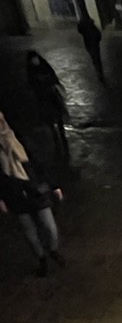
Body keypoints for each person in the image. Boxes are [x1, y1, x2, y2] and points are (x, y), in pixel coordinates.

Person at [0, 111, 65, 277]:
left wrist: (53, 185)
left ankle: (53, 250)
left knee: (49, 226)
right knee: (30, 230)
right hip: (13, 193)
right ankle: (42, 259)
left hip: (34, 188)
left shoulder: (19, 139)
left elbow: (39, 162)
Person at [25, 50, 68, 158]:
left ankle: (61, 134)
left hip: (51, 95)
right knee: (49, 117)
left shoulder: (43, 67)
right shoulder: (32, 71)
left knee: (58, 115)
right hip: (43, 97)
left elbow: (53, 77)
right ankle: (56, 137)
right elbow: (32, 84)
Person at [77, 15, 104, 83]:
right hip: (94, 43)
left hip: (88, 42)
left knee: (93, 57)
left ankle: (98, 69)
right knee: (97, 57)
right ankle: (99, 70)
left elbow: (79, 30)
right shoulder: (91, 25)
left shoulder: (82, 23)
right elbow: (98, 34)